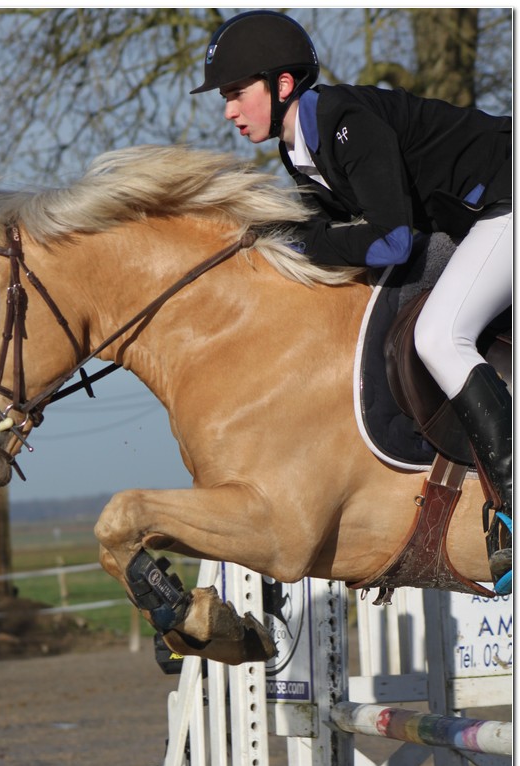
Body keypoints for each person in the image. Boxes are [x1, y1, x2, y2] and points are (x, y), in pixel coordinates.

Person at [191, 9, 512, 593]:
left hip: (505, 197)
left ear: (282, 85)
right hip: (476, 216)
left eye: (237, 93)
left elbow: (390, 240)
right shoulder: (298, 150)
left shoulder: (344, 122)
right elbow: (345, 236)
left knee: (440, 335)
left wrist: (304, 240)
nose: (229, 110)